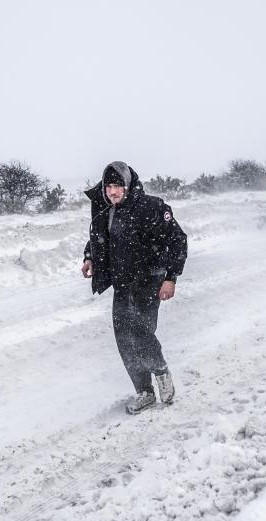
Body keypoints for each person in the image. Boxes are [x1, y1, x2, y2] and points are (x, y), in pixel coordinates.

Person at [81, 161, 188, 415]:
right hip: (122, 283)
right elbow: (98, 238)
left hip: (149, 281)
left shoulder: (152, 207)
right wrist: (90, 258)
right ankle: (145, 391)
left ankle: (160, 371)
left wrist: (171, 277)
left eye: (117, 186)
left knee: (141, 333)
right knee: (124, 340)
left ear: (128, 185)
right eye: (108, 187)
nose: (111, 192)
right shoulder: (107, 211)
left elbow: (177, 240)